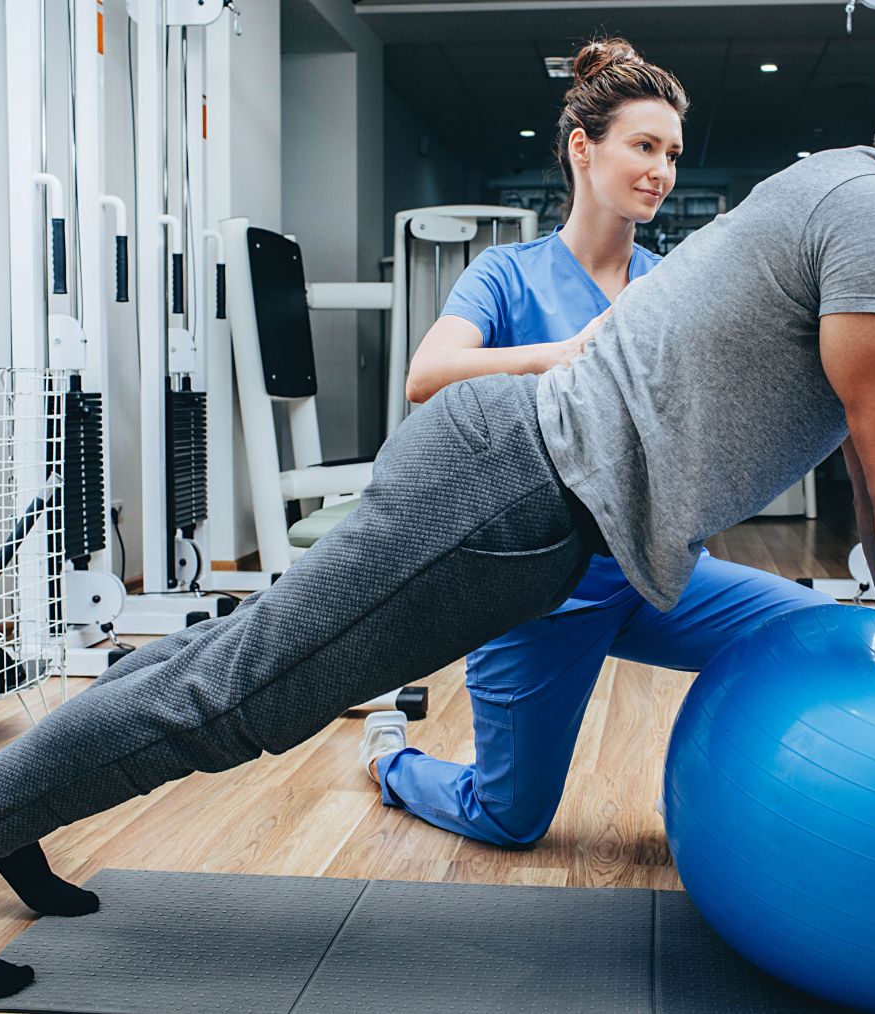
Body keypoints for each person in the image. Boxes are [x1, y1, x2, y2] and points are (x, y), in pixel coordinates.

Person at [0, 14, 875, 1004]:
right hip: (512, 489)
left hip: (535, 501)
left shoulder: (843, 198)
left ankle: (13, 816)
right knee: (241, 697)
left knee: (222, 662)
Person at [356, 38, 835, 849]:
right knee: (510, 819)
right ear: (584, 148)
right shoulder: (506, 275)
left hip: (653, 572)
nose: (662, 170)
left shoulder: (670, 280)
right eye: (643, 146)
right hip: (539, 593)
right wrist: (569, 352)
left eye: (673, 153)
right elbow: (427, 374)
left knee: (810, 632)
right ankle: (390, 760)